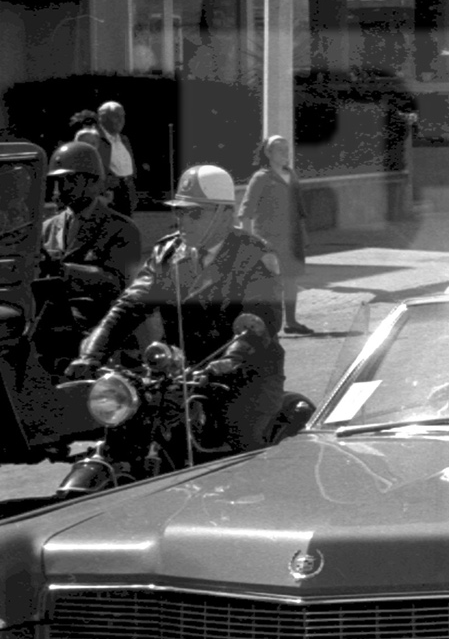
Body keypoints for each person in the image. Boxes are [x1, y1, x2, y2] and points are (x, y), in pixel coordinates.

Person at [69, 163, 286, 453]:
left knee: (241, 446)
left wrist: (231, 360)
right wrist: (91, 354)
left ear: (224, 213)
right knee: (130, 436)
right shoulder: (167, 254)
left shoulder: (254, 255)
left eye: (194, 212)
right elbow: (129, 306)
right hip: (177, 376)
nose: (183, 220)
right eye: (179, 211)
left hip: (243, 377)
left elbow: (260, 320)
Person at [36, 140, 145, 374]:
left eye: (70, 180)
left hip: (97, 329)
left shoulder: (121, 228)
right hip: (45, 324)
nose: (60, 188)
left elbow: (117, 283)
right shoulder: (46, 228)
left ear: (93, 182)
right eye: (56, 181)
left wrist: (63, 270)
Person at [238, 134, 314, 333]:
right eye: (280, 149)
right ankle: (267, 324)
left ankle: (291, 322)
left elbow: (299, 208)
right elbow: (245, 211)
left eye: (287, 149)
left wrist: (304, 234)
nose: (285, 153)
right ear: (268, 153)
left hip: (293, 238)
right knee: (269, 284)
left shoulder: (292, 175)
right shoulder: (261, 177)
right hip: (268, 240)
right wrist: (248, 242)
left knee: (291, 279)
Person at [94, 102, 138, 218]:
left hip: (126, 193)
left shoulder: (124, 139)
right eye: (115, 116)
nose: (120, 120)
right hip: (107, 195)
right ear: (102, 118)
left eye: (122, 116)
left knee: (127, 230)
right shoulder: (94, 139)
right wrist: (104, 189)